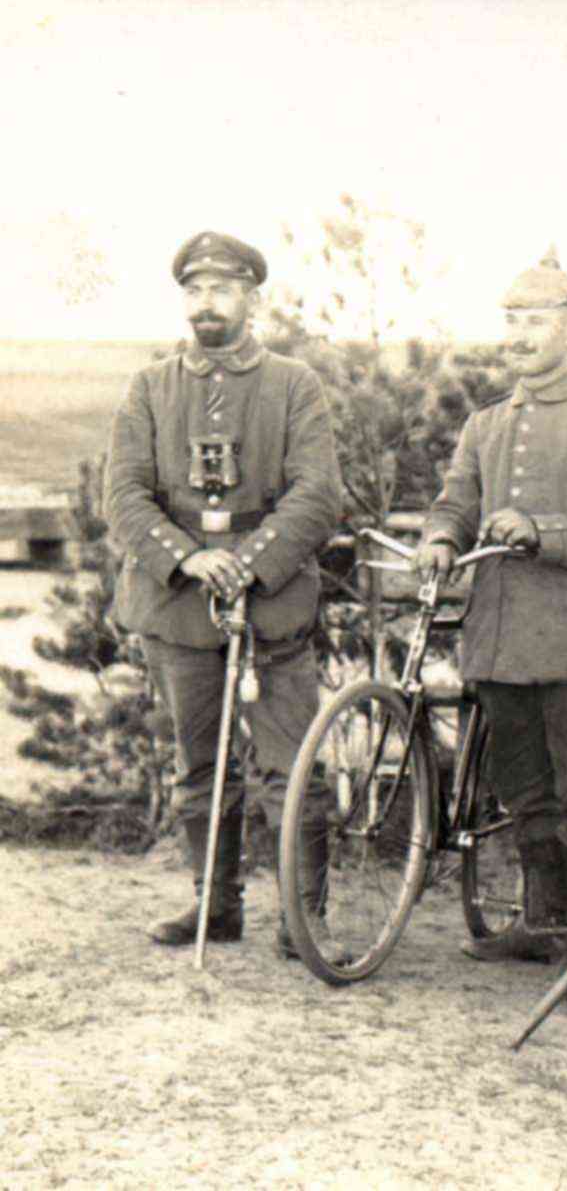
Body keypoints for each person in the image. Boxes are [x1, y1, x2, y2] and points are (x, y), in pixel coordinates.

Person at [107, 231, 344, 959]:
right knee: (200, 766)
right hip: (179, 604)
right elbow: (123, 497)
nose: (206, 304)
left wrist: (248, 561)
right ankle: (216, 906)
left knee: (291, 764)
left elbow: (318, 493)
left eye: (222, 289)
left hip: (271, 602)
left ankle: (303, 921)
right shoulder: (151, 387)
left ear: (251, 299)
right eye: (194, 290)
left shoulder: (294, 385)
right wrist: (189, 560)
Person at [419, 251, 567, 962]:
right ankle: (543, 922)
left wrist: (541, 531)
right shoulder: (486, 425)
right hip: (499, 639)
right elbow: (457, 499)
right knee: (521, 790)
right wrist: (439, 537)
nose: (518, 337)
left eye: (537, 322)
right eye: (511, 322)